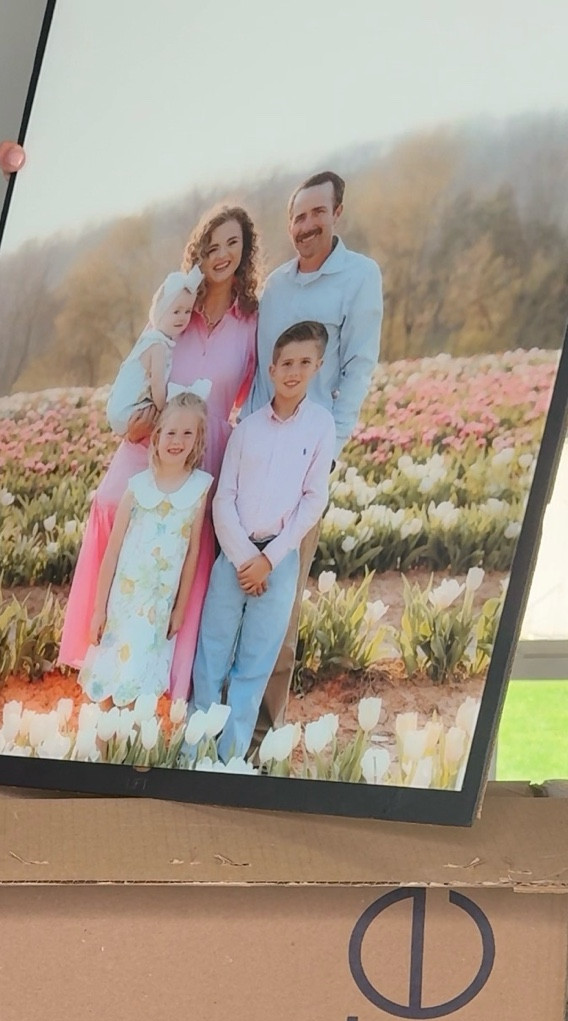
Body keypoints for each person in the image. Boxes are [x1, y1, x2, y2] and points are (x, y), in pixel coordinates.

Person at [59, 205, 259, 701]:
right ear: (198, 253)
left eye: (232, 244)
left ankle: (170, 671)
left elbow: (247, 398)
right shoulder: (177, 313)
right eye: (211, 247)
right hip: (154, 435)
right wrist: (136, 421)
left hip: (208, 444)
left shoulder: (251, 321)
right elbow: (138, 372)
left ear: (245, 251)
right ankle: (102, 643)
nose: (222, 255)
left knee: (190, 545)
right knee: (111, 506)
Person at [247, 170, 383, 729]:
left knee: (281, 598)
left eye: (316, 214)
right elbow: (259, 370)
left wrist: (331, 450)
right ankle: (215, 716)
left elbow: (358, 369)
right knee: (236, 588)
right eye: (298, 217)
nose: (306, 226)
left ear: (337, 213)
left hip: (306, 465)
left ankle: (262, 727)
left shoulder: (359, 276)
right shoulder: (275, 286)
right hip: (253, 457)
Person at [191, 321, 334, 764]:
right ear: (271, 369)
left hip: (278, 560)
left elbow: (313, 501)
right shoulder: (247, 429)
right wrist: (242, 558)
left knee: (253, 664)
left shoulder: (320, 427)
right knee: (211, 655)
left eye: (304, 363)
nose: (294, 371)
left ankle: (231, 758)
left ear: (317, 366)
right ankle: (193, 751)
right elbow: (224, 498)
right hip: (233, 557)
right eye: (286, 363)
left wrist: (268, 560)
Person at [80, 391, 210, 712]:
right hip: (124, 603)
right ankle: (101, 748)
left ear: (198, 440)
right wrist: (99, 609)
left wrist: (180, 608)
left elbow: (192, 553)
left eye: (187, 433)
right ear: (156, 437)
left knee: (141, 682)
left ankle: (131, 749)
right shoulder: (137, 486)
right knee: (110, 680)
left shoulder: (199, 487)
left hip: (158, 608)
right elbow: (112, 552)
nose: (177, 440)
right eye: (170, 432)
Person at [106, 268, 203, 435]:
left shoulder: (150, 339)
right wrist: (164, 411)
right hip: (128, 413)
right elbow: (157, 384)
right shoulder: (158, 346)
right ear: (160, 311)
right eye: (176, 311)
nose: (182, 317)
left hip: (118, 410)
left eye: (187, 311)